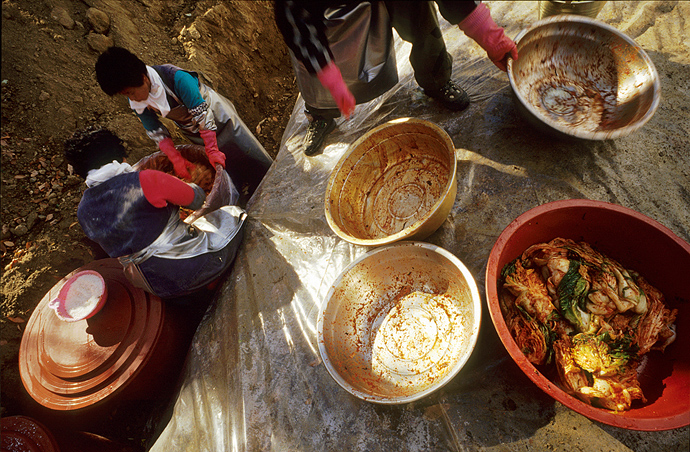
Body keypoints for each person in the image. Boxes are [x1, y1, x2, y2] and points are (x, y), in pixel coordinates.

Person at [275, 0, 518, 155]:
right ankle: (320, 113)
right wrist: (330, 77)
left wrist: (490, 37)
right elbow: (297, 27)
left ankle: (436, 80)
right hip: (323, 14)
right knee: (314, 72)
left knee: (422, 23)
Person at [65, 127, 247, 299]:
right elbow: (197, 199)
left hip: (154, 286)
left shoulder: (83, 211)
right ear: (120, 156)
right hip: (191, 269)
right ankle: (214, 277)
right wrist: (187, 183)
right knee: (234, 214)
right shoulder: (145, 181)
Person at [95, 46, 273, 201]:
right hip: (191, 128)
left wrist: (212, 148)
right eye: (126, 95)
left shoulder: (177, 79)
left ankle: (269, 184)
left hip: (216, 117)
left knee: (245, 152)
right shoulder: (137, 101)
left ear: (143, 78)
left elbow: (203, 115)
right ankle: (240, 190)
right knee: (226, 168)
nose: (131, 98)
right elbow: (155, 130)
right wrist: (175, 157)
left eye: (131, 92)